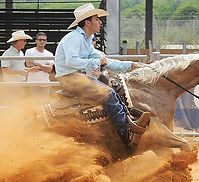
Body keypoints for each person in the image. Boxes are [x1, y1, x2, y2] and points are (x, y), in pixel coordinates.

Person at [54, 3, 151, 148]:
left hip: (75, 76)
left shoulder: (86, 39)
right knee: (108, 93)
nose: (100, 22)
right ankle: (127, 131)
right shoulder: (73, 38)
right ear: (87, 22)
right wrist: (96, 62)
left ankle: (125, 122)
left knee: (112, 87)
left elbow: (105, 60)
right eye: (97, 19)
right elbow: (72, 61)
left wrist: (130, 65)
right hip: (70, 78)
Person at [25, 32, 54, 104]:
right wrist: (44, 67)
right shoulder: (29, 51)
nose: (42, 41)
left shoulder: (49, 54)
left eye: (44, 40)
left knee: (44, 104)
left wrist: (35, 64)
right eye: (40, 39)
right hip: (32, 82)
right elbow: (28, 64)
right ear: (36, 41)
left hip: (45, 82)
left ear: (46, 41)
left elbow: (50, 69)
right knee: (33, 103)